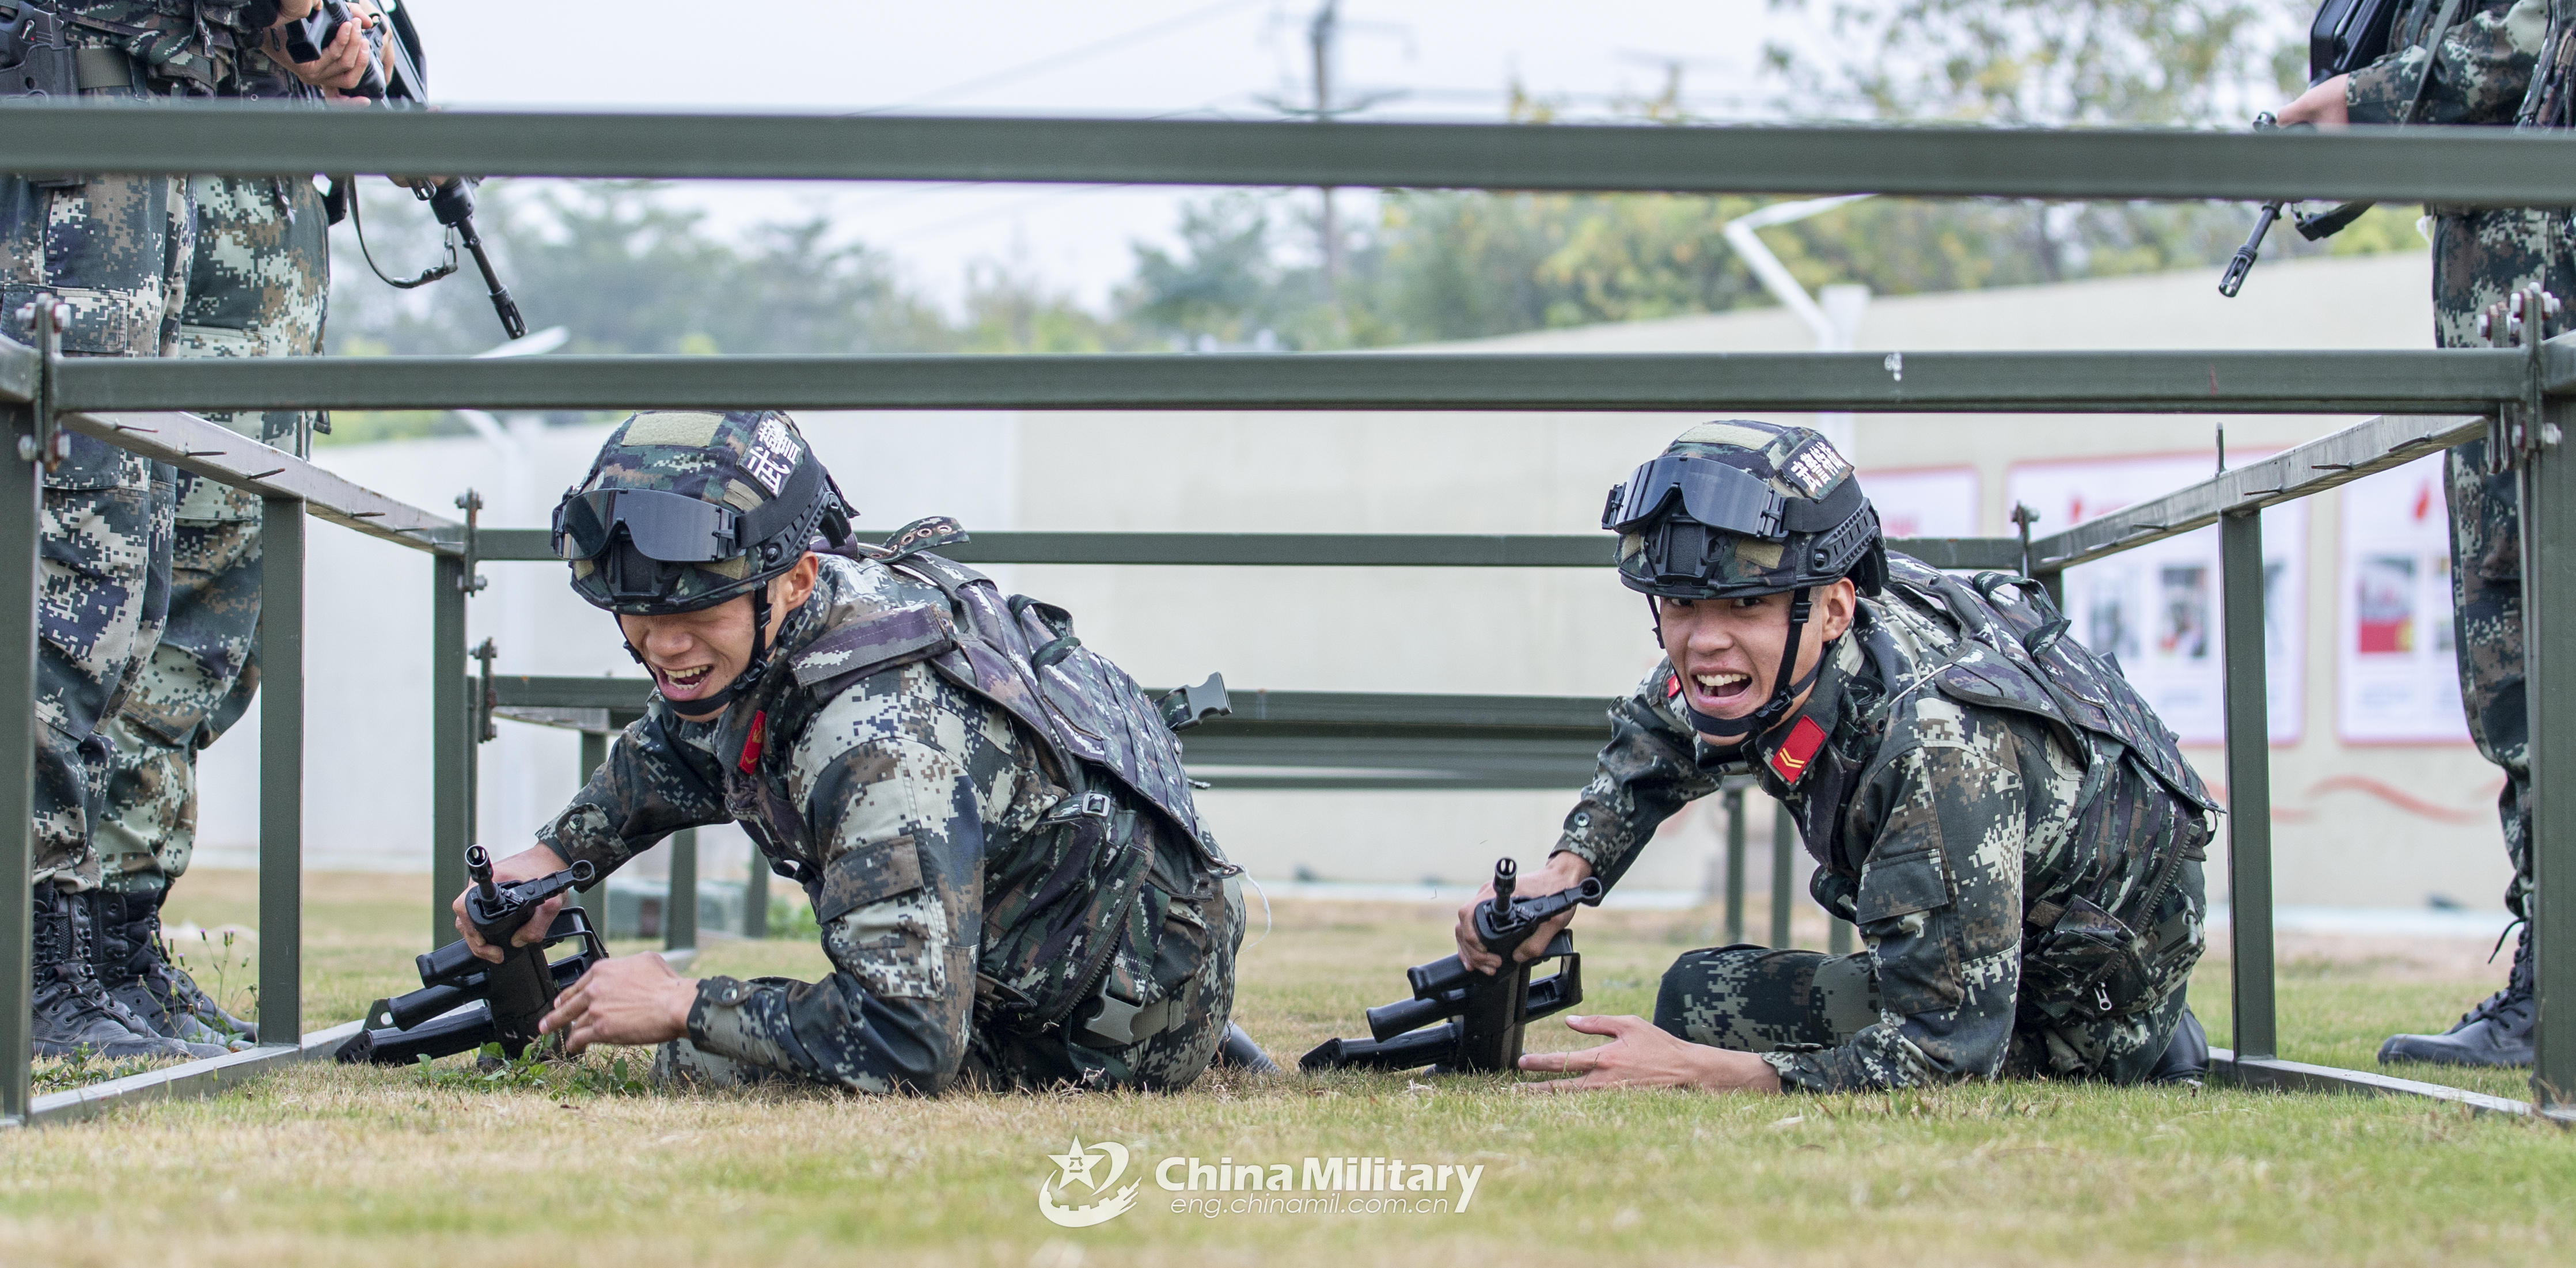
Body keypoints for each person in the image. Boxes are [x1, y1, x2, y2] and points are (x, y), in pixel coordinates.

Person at [452, 411, 1246, 1093]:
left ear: (794, 579)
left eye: (700, 609)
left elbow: (906, 1041)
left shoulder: (879, 739)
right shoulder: (806, 620)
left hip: (1101, 1032)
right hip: (1098, 953)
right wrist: (552, 855)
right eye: (635, 609)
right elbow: (679, 743)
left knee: (697, 1058)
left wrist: (683, 1004)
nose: (663, 644)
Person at [1466, 422, 2213, 1094]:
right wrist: (1565, 875)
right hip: (2019, 924)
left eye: (1742, 606)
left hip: (2080, 989)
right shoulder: (1792, 644)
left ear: (1833, 607)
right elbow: (1655, 732)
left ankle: (2126, 1045)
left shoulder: (1936, 748)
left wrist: (1700, 1073)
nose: (1702, 642)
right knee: (1694, 994)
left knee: (1705, 1020)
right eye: (1681, 605)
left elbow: (1941, 1063)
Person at [0, 0, 341, 1061]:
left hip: (165, 117)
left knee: (159, 583)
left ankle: (102, 944)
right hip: (80, 103)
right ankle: (38, 960)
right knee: (75, 562)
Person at [2276, 0, 2566, 1068]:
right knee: (2517, 679)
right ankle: (2557, 976)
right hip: (2499, 352)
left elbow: (2526, 41)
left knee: (2546, 663)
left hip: (2551, 340)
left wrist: (2369, 98)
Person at [89, 1, 381, 1053]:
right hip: (150, 251)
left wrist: (355, 42)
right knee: (115, 619)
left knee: (205, 651)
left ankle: (118, 945)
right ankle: (62, 952)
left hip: (261, 294)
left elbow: (381, 44)